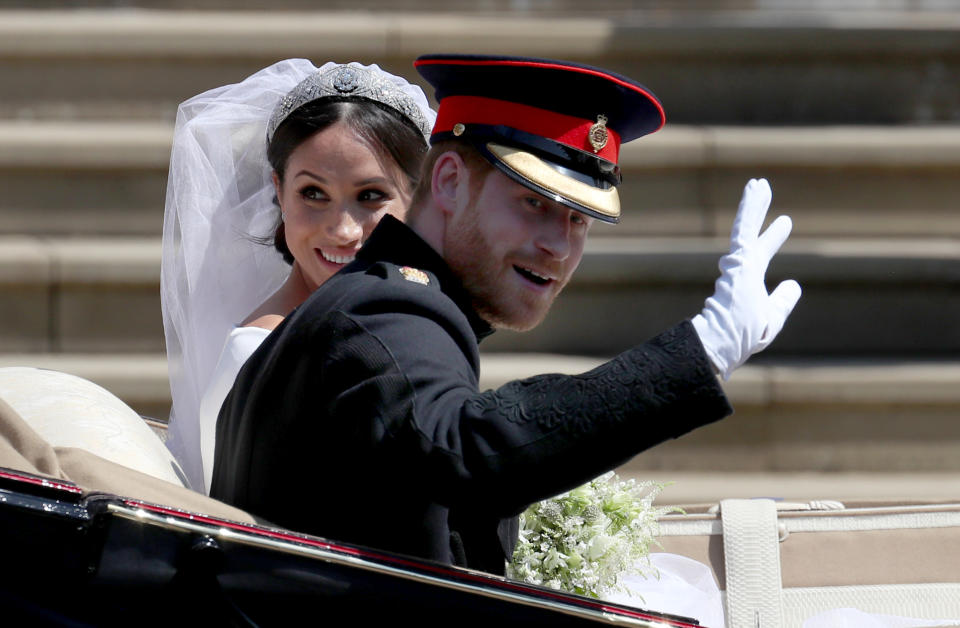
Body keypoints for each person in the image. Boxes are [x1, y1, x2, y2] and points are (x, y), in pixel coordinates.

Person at [211, 54, 802, 576]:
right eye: (532, 203)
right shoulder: (385, 305)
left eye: (578, 219)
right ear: (447, 182)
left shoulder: (396, 301)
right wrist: (702, 349)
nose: (557, 245)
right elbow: (464, 449)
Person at [161, 59, 436, 493]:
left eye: (370, 196)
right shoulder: (256, 354)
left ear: (417, 197)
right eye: (313, 193)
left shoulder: (416, 322)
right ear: (278, 190)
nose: (343, 230)